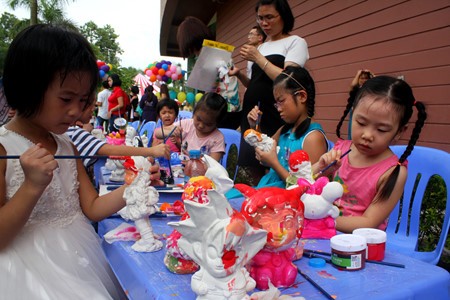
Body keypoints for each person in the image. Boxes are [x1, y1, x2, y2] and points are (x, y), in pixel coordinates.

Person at [0, 24, 127, 299]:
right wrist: (31, 187)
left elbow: (92, 207)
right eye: (66, 98)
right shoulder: (3, 148)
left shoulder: (67, 145)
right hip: (26, 270)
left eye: (82, 100)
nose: (76, 111)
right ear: (28, 87)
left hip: (81, 258)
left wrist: (134, 188)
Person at [314, 75, 427, 233]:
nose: (367, 135)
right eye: (361, 123)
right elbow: (305, 183)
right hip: (324, 232)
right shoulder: (341, 149)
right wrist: (320, 168)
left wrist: (320, 219)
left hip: (360, 245)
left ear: (400, 131)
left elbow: (369, 222)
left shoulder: (393, 172)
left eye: (381, 130)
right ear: (353, 115)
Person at [230, 0, 310, 185]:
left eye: (269, 17)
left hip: (277, 112)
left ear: (284, 16)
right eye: (260, 18)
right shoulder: (261, 47)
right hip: (253, 114)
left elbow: (289, 79)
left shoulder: (295, 42)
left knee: (275, 163)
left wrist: (258, 57)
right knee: (253, 165)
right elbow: (254, 83)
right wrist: (239, 74)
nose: (264, 23)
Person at [247, 66, 328, 188]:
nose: (278, 109)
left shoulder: (313, 138)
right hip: (268, 190)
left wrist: (274, 164)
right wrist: (255, 128)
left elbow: (308, 188)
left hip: (288, 200)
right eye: (276, 103)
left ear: (302, 96)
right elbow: (265, 152)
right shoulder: (284, 130)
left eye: (281, 101)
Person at [177, 16, 241, 130]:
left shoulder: (208, 55)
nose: (193, 54)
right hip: (232, 108)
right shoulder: (219, 51)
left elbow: (211, 86)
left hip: (221, 111)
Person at [67, 101, 170, 170]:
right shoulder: (74, 133)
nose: (94, 108)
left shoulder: (72, 133)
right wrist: (151, 151)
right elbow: (111, 150)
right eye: (90, 103)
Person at [177, 92, 227, 162]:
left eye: (208, 124)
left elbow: (213, 166)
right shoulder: (186, 124)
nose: (201, 126)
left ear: (217, 123)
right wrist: (172, 131)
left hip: (203, 172)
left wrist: (191, 163)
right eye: (198, 119)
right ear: (194, 112)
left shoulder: (217, 139)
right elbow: (159, 132)